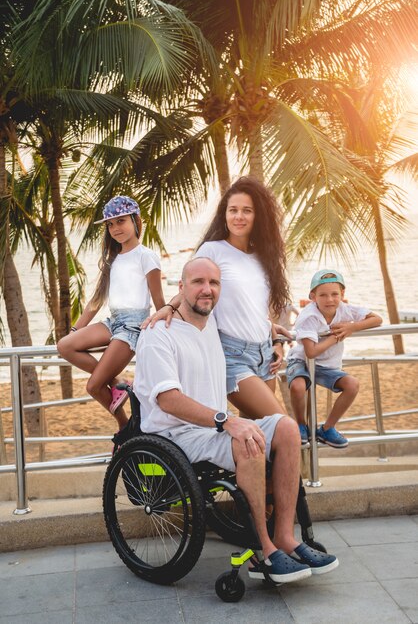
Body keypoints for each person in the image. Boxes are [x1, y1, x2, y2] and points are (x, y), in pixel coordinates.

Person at [135, 257, 338, 583]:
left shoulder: (214, 323)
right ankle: (263, 550)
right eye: (198, 282)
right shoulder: (159, 333)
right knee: (247, 437)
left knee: (285, 427)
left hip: (213, 429)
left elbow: (250, 323)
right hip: (176, 434)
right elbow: (167, 399)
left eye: (214, 283)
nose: (207, 289)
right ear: (181, 288)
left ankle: (285, 536)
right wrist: (226, 421)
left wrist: (273, 337)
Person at [143, 176, 291, 419]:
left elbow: (256, 309)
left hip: (265, 355)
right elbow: (193, 286)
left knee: (258, 439)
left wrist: (275, 340)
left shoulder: (262, 257)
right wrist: (169, 306)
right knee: (283, 426)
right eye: (233, 210)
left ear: (258, 216)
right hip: (233, 356)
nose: (238, 216)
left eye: (247, 211)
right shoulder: (213, 250)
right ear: (225, 214)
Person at [58, 196, 165, 430]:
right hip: (113, 322)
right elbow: (95, 302)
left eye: (121, 221)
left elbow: (159, 301)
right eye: (110, 224)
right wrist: (76, 330)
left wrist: (166, 331)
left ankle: (124, 426)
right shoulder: (113, 259)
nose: (115, 228)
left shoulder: (146, 256)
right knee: (64, 345)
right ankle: (117, 382)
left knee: (93, 386)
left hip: (133, 327)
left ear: (136, 221)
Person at [286, 269, 383, 448]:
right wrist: (335, 336)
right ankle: (301, 425)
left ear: (342, 294)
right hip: (301, 361)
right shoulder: (308, 316)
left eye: (334, 294)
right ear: (312, 296)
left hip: (327, 365)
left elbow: (377, 319)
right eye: (323, 295)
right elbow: (311, 352)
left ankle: (327, 428)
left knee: (352, 384)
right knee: (298, 387)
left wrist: (352, 327)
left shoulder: (345, 310)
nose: (329, 300)